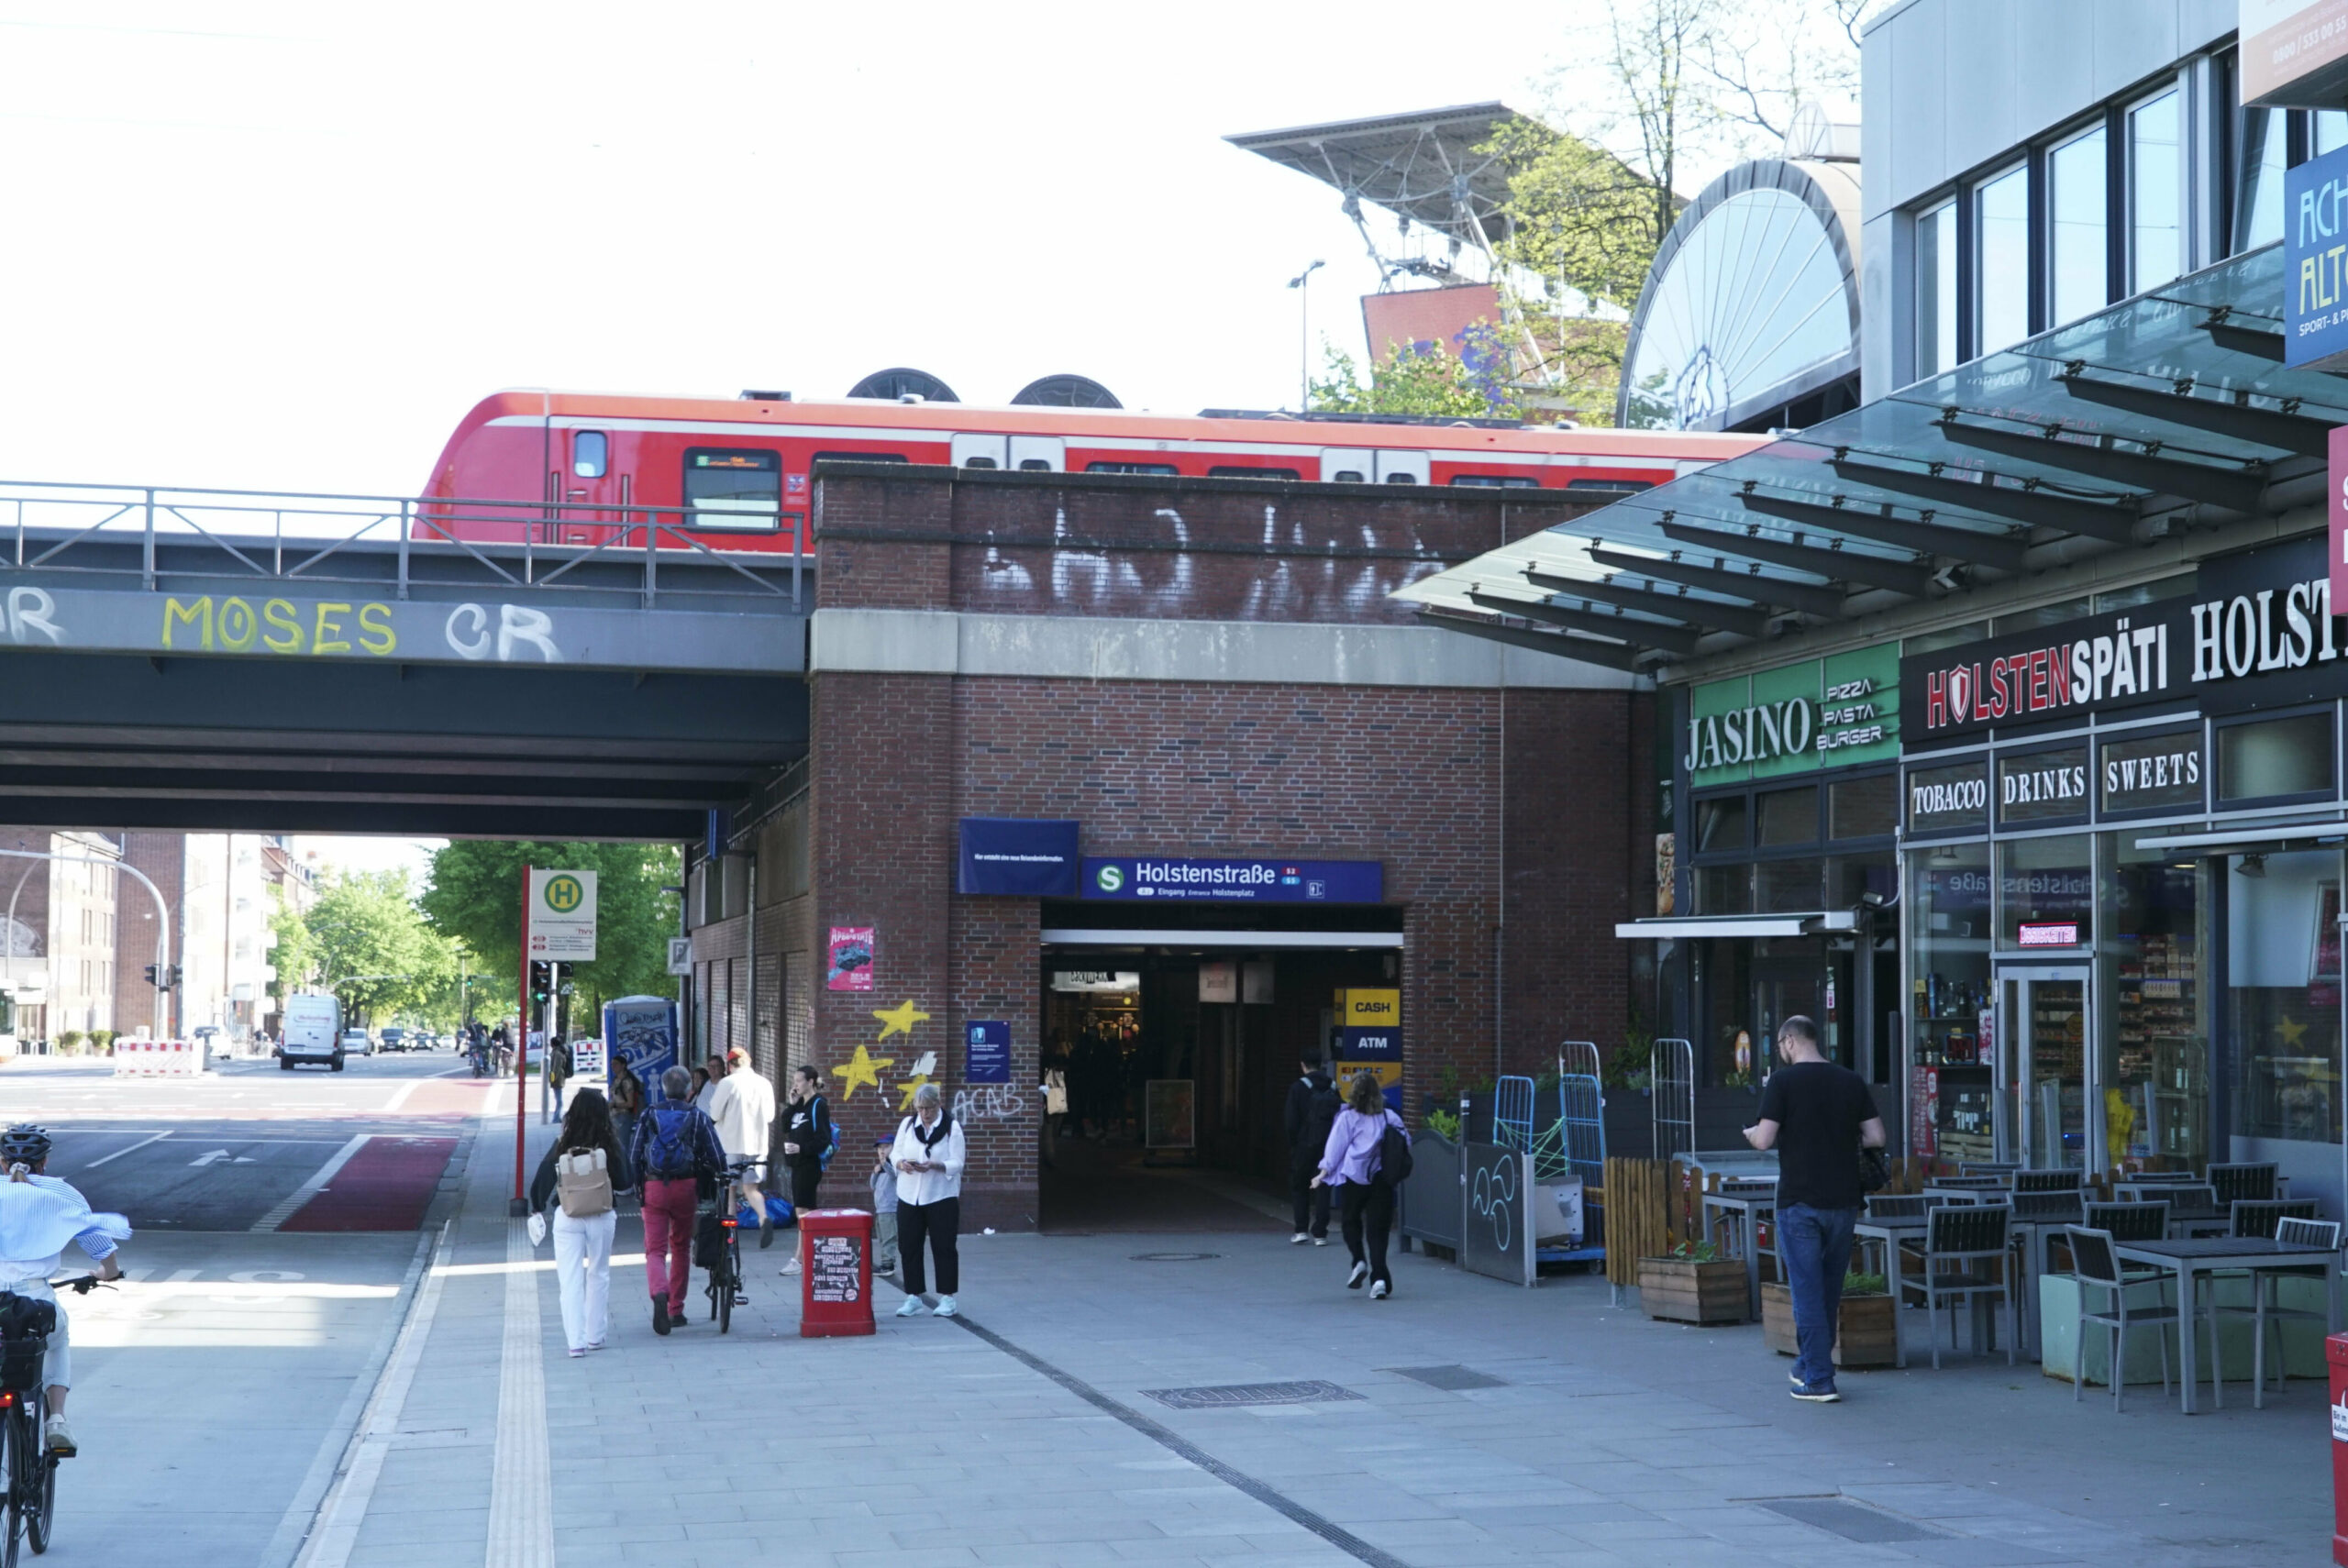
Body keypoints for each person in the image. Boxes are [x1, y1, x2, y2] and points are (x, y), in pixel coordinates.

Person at [1744, 1015, 1886, 1405]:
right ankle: (1809, 1364)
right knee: (1828, 1288)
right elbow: (1876, 1136)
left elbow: (1764, 1140)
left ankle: (1820, 1380)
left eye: (1779, 1046)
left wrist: (1750, 1133)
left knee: (1806, 1290)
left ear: (1790, 1041)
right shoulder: (1850, 1081)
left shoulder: (1783, 1082)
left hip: (1800, 1201)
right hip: (1843, 1201)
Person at [0, 1125, 130, 1455]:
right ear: (45, 1162)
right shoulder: (62, 1193)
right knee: (57, 1341)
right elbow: (101, 1249)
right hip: (35, 1301)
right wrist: (107, 1274)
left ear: (2, 1163)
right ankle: (56, 1419)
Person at [529, 1088, 633, 1357]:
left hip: (568, 1214)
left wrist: (537, 1207)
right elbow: (625, 1182)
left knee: (570, 1280)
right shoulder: (610, 1143)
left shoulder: (563, 1142)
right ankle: (595, 1336)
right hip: (601, 1214)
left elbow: (542, 1179)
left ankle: (575, 1343)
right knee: (598, 1274)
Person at [628, 1064, 726, 1335]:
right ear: (688, 1090)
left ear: (662, 1089)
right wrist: (723, 1173)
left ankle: (659, 1291)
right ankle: (675, 1309)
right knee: (681, 1246)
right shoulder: (696, 1116)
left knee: (655, 1250)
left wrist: (639, 1187)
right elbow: (716, 1153)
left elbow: (634, 1154)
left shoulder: (649, 1114)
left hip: (654, 1187)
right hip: (686, 1187)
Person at [1312, 1072, 1408, 1299]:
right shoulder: (1389, 1117)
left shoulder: (1347, 1118)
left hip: (1354, 1179)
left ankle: (1358, 1260)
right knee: (1378, 1232)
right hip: (1382, 1180)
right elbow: (1404, 1144)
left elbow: (1335, 1148)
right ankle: (1380, 1280)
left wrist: (1322, 1173)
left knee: (1350, 1222)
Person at [890, 1082, 965, 1319]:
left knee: (943, 1246)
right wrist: (901, 1163)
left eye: (929, 1108)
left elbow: (958, 1162)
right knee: (909, 1246)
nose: (924, 1114)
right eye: (920, 1108)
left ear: (938, 1104)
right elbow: (895, 1152)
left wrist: (936, 1166)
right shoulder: (908, 1124)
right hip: (909, 1196)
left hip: (941, 1195)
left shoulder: (952, 1127)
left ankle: (947, 1297)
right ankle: (913, 1295)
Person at [707, 1046, 779, 1249]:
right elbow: (770, 1116)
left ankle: (730, 1233)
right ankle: (763, 1217)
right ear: (749, 1062)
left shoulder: (727, 1083)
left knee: (729, 1187)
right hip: (756, 1145)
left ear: (729, 1066)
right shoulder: (764, 1083)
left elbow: (714, 1114)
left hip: (729, 1144)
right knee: (751, 1189)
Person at [777, 1063, 833, 1276]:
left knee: (803, 1211)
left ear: (810, 1082)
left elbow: (823, 1138)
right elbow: (784, 1127)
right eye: (794, 1081)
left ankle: (800, 1258)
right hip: (796, 1163)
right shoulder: (800, 1104)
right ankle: (809, 1255)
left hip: (809, 1163)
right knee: (804, 1210)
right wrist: (791, 1105)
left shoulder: (819, 1105)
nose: (796, 1085)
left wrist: (802, 1148)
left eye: (799, 1081)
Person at [1282, 1053, 1339, 1246]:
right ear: (1320, 1064)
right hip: (1328, 1145)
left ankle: (1301, 1230)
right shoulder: (1332, 1086)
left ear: (1303, 1065)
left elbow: (1290, 1121)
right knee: (1323, 1185)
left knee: (1299, 1186)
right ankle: (1321, 1233)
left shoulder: (1298, 1088)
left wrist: (1293, 1143)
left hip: (1304, 1144)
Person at [868, 1136, 900, 1276]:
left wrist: (884, 1164)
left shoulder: (894, 1165)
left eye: (886, 1147)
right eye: (880, 1148)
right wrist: (875, 1172)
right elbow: (872, 1185)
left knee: (889, 1237)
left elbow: (894, 1175)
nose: (882, 1150)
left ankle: (888, 1264)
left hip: (890, 1208)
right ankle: (885, 1262)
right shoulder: (881, 1168)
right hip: (880, 1208)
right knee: (882, 1236)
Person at [608, 1064, 645, 1164]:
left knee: (623, 1147)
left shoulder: (627, 1082)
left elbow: (630, 1103)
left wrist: (614, 1105)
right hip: (615, 1117)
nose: (613, 1067)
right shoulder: (616, 1081)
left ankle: (627, 1171)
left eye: (615, 1064)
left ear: (623, 1066)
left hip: (623, 1117)